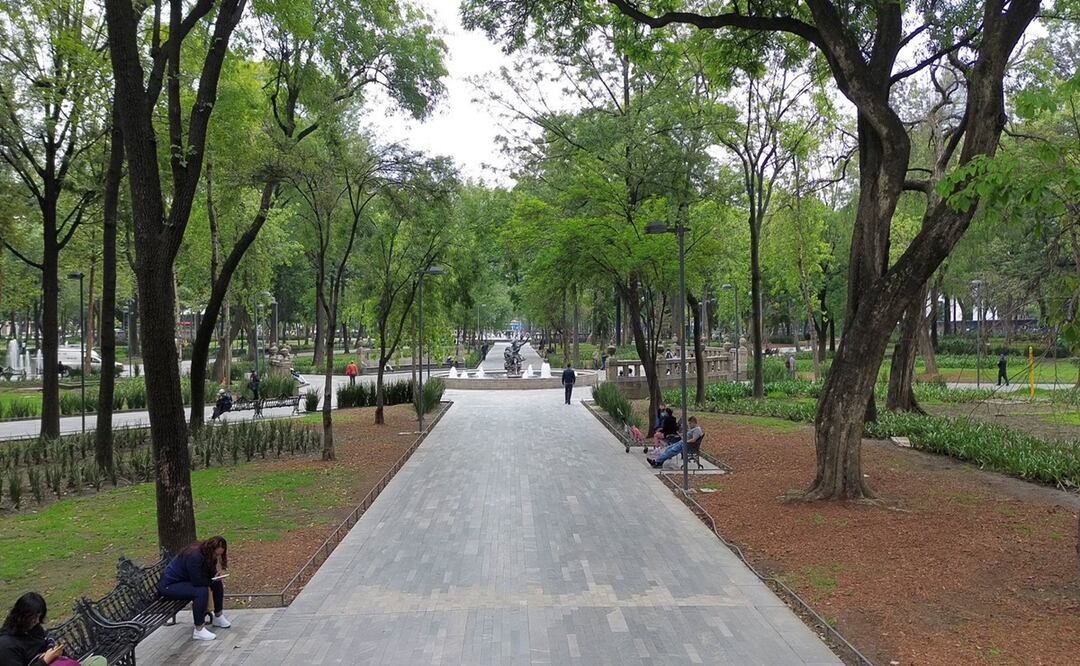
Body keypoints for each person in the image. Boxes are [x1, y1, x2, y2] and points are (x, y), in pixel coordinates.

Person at [0, 592, 106, 666]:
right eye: (33, 618)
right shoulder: (6, 645)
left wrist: (53, 650)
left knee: (99, 661)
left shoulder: (34, 629)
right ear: (21, 616)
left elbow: (45, 643)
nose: (37, 621)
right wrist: (45, 661)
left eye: (39, 617)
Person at [159, 536, 232, 641]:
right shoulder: (194, 556)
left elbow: (206, 574)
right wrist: (211, 580)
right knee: (200, 591)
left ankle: (218, 616)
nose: (217, 557)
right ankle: (199, 629)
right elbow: (197, 581)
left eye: (220, 555)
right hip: (170, 585)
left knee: (217, 583)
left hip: (183, 581)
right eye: (216, 554)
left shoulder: (206, 554)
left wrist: (215, 576)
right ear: (211, 549)